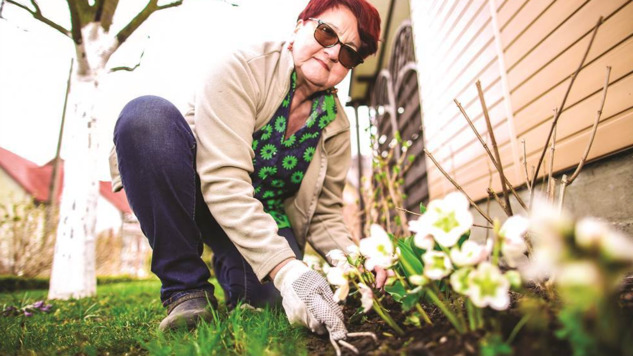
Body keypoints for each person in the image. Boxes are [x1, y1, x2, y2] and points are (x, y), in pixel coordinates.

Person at [109, 0, 382, 349]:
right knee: (146, 117)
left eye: (348, 53)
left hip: (262, 216)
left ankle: (236, 276)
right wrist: (286, 269)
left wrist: (358, 265)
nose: (332, 53)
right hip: (197, 191)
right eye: (326, 33)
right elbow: (223, 179)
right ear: (299, 26)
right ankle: (186, 289)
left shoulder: (335, 127)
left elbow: (325, 216)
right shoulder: (242, 68)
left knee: (268, 303)